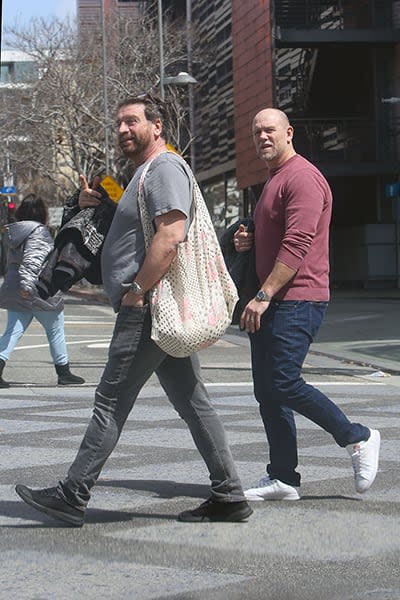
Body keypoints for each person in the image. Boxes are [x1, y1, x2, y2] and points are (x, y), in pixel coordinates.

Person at [15, 94, 252, 526]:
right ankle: (230, 494)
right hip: (150, 306)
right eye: (119, 123)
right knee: (193, 401)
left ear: (157, 126)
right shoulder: (144, 174)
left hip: (147, 306)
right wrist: (98, 207)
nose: (123, 129)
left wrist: (137, 291)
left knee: (110, 401)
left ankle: (73, 494)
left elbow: (170, 235)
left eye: (132, 122)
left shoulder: (162, 169)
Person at [233, 108, 380, 501]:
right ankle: (283, 477)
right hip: (273, 300)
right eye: (256, 132)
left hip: (298, 298)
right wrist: (248, 241)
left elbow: (298, 243)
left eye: (270, 131)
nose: (263, 137)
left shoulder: (302, 178)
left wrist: (263, 296)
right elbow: (277, 236)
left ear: (289, 133)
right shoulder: (274, 180)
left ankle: (358, 437)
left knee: (282, 381)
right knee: (267, 390)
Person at [0, 194, 85, 387]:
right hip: (36, 288)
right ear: (42, 213)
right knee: (55, 329)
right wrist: (28, 287)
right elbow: (32, 261)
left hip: (15, 287)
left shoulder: (13, 232)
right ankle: (64, 372)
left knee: (12, 331)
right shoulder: (39, 232)